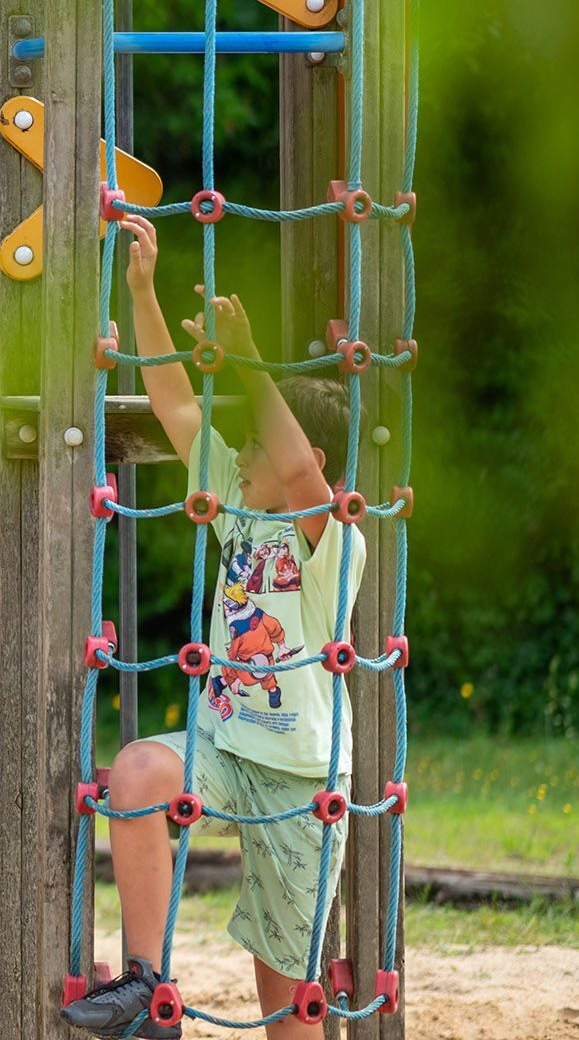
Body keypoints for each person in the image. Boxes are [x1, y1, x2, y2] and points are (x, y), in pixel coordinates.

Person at [62, 216, 367, 1040]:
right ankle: (147, 984)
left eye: (260, 439)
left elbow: (301, 470)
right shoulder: (235, 502)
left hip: (303, 780)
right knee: (135, 773)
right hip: (225, 749)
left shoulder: (331, 539)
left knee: (288, 1003)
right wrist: (142, 292)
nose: (243, 448)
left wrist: (250, 359)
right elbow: (173, 400)